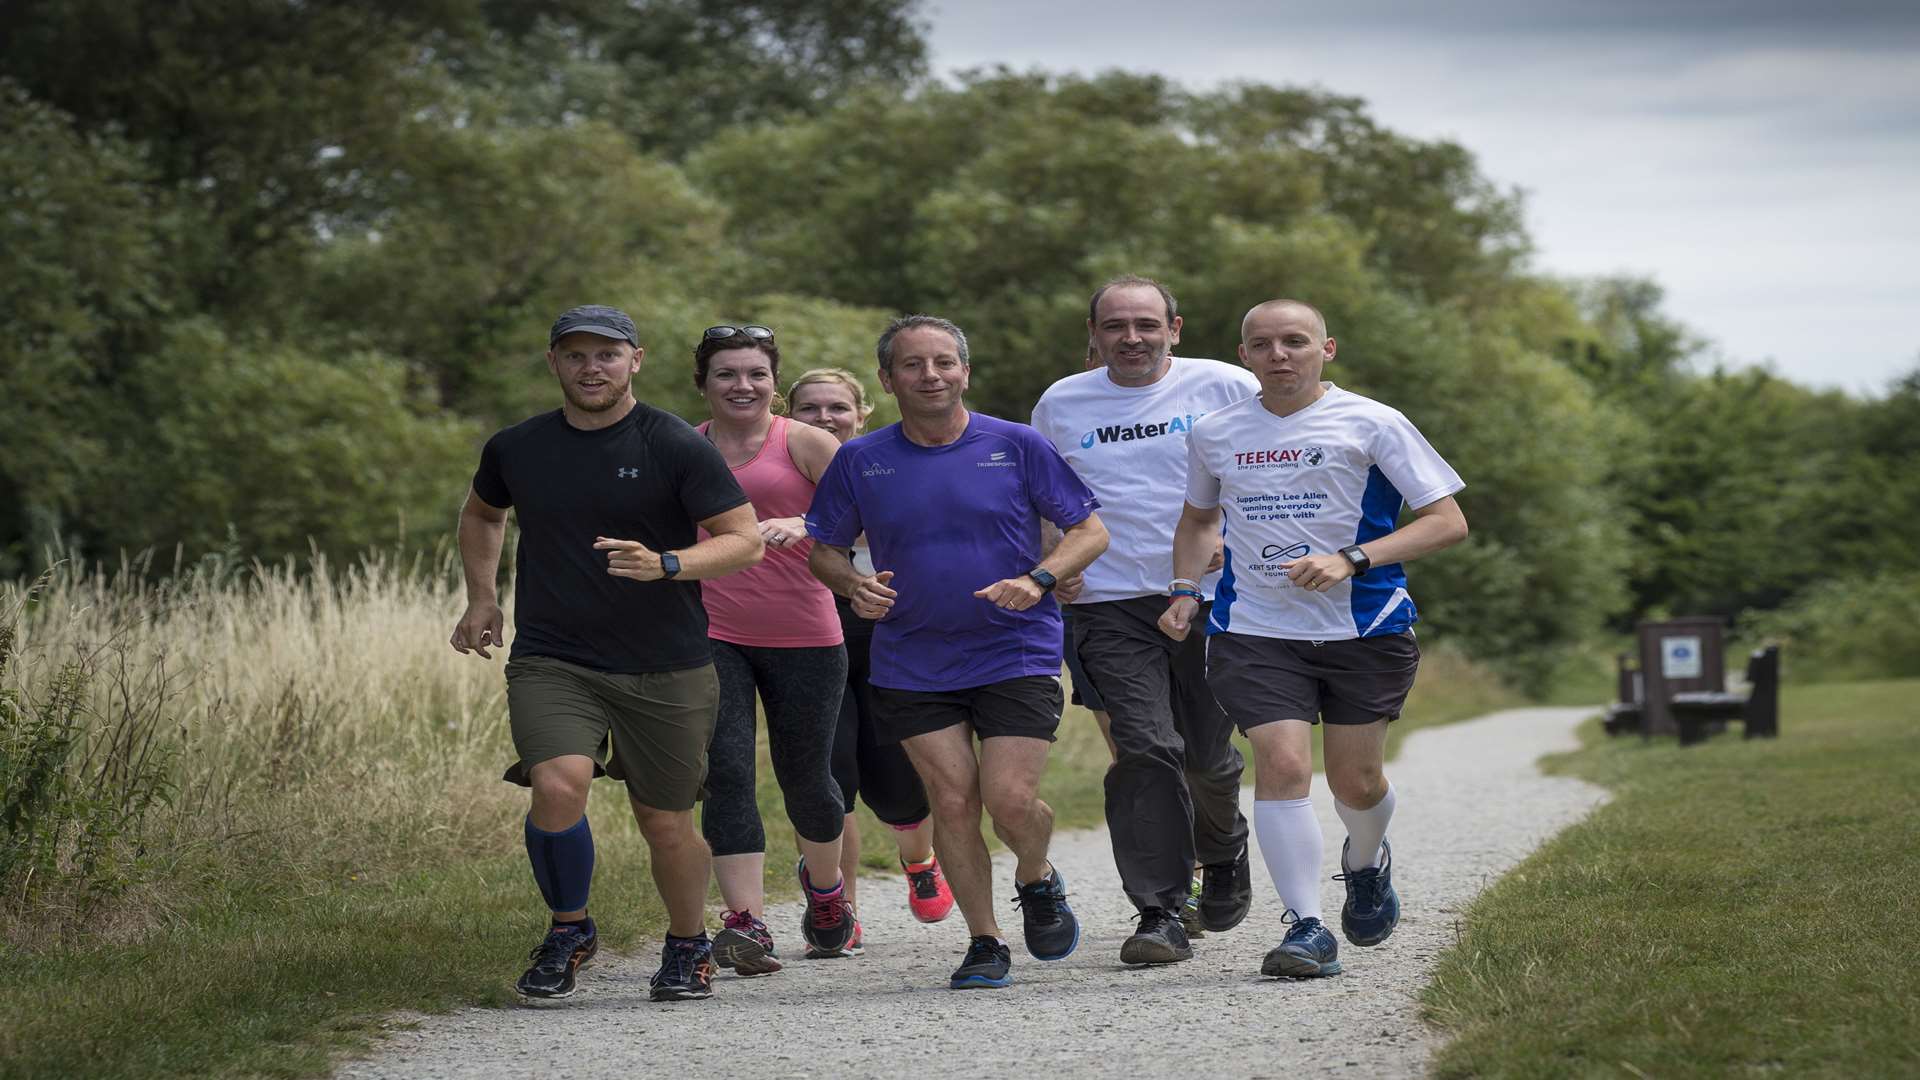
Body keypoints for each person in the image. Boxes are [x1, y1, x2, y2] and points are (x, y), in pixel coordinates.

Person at [451, 304, 764, 1003]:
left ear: (636, 361)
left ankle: (687, 945)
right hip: (553, 657)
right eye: (576, 356)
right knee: (558, 784)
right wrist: (481, 597)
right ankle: (569, 928)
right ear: (554, 363)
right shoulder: (517, 447)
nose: (592, 369)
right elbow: (481, 512)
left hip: (667, 662)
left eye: (607, 355)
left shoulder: (675, 444)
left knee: (666, 820)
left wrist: (669, 564)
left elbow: (743, 538)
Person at [1159, 299, 1469, 979]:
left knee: (1357, 784)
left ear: (1326, 349)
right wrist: (1184, 590)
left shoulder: (1373, 421)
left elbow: (1447, 522)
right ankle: (1306, 926)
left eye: (1294, 341)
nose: (1279, 355)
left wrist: (1353, 559)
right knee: (1286, 766)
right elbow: (1198, 521)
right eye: (1263, 344)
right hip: (1255, 629)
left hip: (1364, 625)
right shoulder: (1216, 432)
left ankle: (1364, 864)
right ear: (1243, 356)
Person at [805, 315, 1110, 990]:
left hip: (1015, 646)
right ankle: (984, 941)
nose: (930, 375)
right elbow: (823, 548)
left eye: (944, 362)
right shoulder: (861, 458)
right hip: (913, 655)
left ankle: (1036, 876)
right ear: (887, 380)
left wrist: (1039, 578)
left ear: (965, 371)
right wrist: (851, 584)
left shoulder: (1018, 445)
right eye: (913, 365)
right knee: (951, 801)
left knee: (1010, 800)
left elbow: (1088, 532)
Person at [1030, 276, 1257, 967]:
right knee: (1145, 750)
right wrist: (1055, 562)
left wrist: (1236, 536)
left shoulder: (1224, 386)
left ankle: (1222, 850)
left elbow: (1267, 474)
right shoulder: (1062, 402)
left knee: (1208, 760)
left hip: (1216, 597)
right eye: (1117, 326)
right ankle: (1160, 908)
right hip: (1108, 603)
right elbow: (1047, 498)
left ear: (1175, 329)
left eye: (1147, 325)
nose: (1133, 338)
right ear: (1094, 334)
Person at [690, 326, 857, 977]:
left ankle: (825, 898)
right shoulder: (684, 447)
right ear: (703, 383)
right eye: (727, 374)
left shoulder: (807, 442)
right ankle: (745, 923)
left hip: (806, 635)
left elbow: (871, 513)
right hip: (710, 633)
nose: (743, 385)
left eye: (756, 374)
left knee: (805, 778)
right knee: (726, 770)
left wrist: (810, 523)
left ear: (773, 382)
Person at [788, 367, 956, 930]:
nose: (823, 419)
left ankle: (920, 861)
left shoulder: (885, 460)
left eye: (837, 407)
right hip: (808, 627)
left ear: (862, 414)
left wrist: (801, 524)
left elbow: (895, 526)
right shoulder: (776, 469)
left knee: (895, 774)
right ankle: (839, 907)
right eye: (809, 409)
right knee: (827, 770)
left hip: (889, 622)